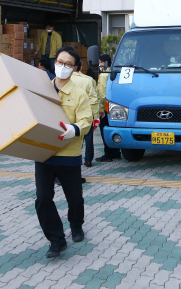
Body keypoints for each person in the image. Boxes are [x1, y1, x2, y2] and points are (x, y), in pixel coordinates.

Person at [35, 47, 92, 258]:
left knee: (74, 197)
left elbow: (86, 121)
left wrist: (74, 129)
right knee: (42, 198)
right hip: (44, 154)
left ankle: (76, 225)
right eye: (60, 62)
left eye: (68, 64)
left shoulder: (79, 94)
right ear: (54, 62)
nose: (63, 67)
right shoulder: (41, 89)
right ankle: (56, 240)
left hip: (68, 154)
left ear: (75, 68)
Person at [70, 58, 99, 168]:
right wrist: (95, 116)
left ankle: (73, 158)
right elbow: (93, 99)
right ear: (80, 67)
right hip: (86, 113)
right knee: (88, 137)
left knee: (73, 136)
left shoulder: (64, 79)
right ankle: (88, 159)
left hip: (71, 113)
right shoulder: (88, 80)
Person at [96, 54, 122, 162]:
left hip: (105, 108)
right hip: (115, 106)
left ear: (104, 62)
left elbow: (102, 94)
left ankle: (108, 154)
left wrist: (101, 109)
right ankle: (116, 152)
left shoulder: (103, 75)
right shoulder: (115, 73)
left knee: (104, 130)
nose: (99, 64)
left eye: (100, 62)